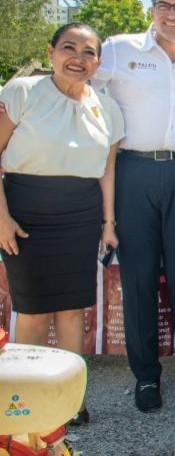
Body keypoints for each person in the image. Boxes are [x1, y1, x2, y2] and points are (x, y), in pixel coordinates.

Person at [92, 0, 175, 412]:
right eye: (163, 5)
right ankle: (146, 377)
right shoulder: (120, 49)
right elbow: (80, 84)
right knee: (139, 276)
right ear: (152, 11)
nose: (171, 14)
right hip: (133, 170)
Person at [0, 23, 124, 425]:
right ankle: (28, 398)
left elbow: (107, 169)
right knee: (33, 311)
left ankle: (71, 400)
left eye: (88, 52)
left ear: (98, 62)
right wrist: (0, 217)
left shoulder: (106, 107)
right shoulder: (21, 93)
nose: (78, 57)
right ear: (51, 51)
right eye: (69, 48)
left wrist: (108, 222)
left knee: (74, 310)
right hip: (24, 212)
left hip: (80, 214)